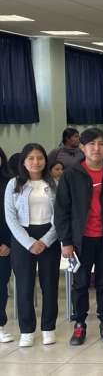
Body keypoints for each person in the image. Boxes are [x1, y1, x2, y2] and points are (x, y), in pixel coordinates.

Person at [55, 127, 103, 346]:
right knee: (80, 283)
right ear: (82, 147)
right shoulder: (71, 175)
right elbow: (61, 211)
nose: (96, 149)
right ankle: (79, 324)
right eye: (91, 144)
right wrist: (66, 241)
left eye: (101, 144)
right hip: (80, 241)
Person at [5, 144, 60, 347]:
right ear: (24, 162)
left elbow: (60, 215)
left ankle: (48, 328)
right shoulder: (14, 184)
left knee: (49, 284)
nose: (36, 162)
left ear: (45, 160)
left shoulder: (54, 183)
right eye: (31, 158)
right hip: (22, 238)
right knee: (25, 285)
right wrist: (29, 242)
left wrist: (45, 240)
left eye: (40, 158)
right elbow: (10, 217)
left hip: (49, 236)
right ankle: (26, 330)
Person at [0, 147, 13, 344]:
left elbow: (13, 216)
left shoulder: (10, 183)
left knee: (1, 285)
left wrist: (7, 243)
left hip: (5, 244)